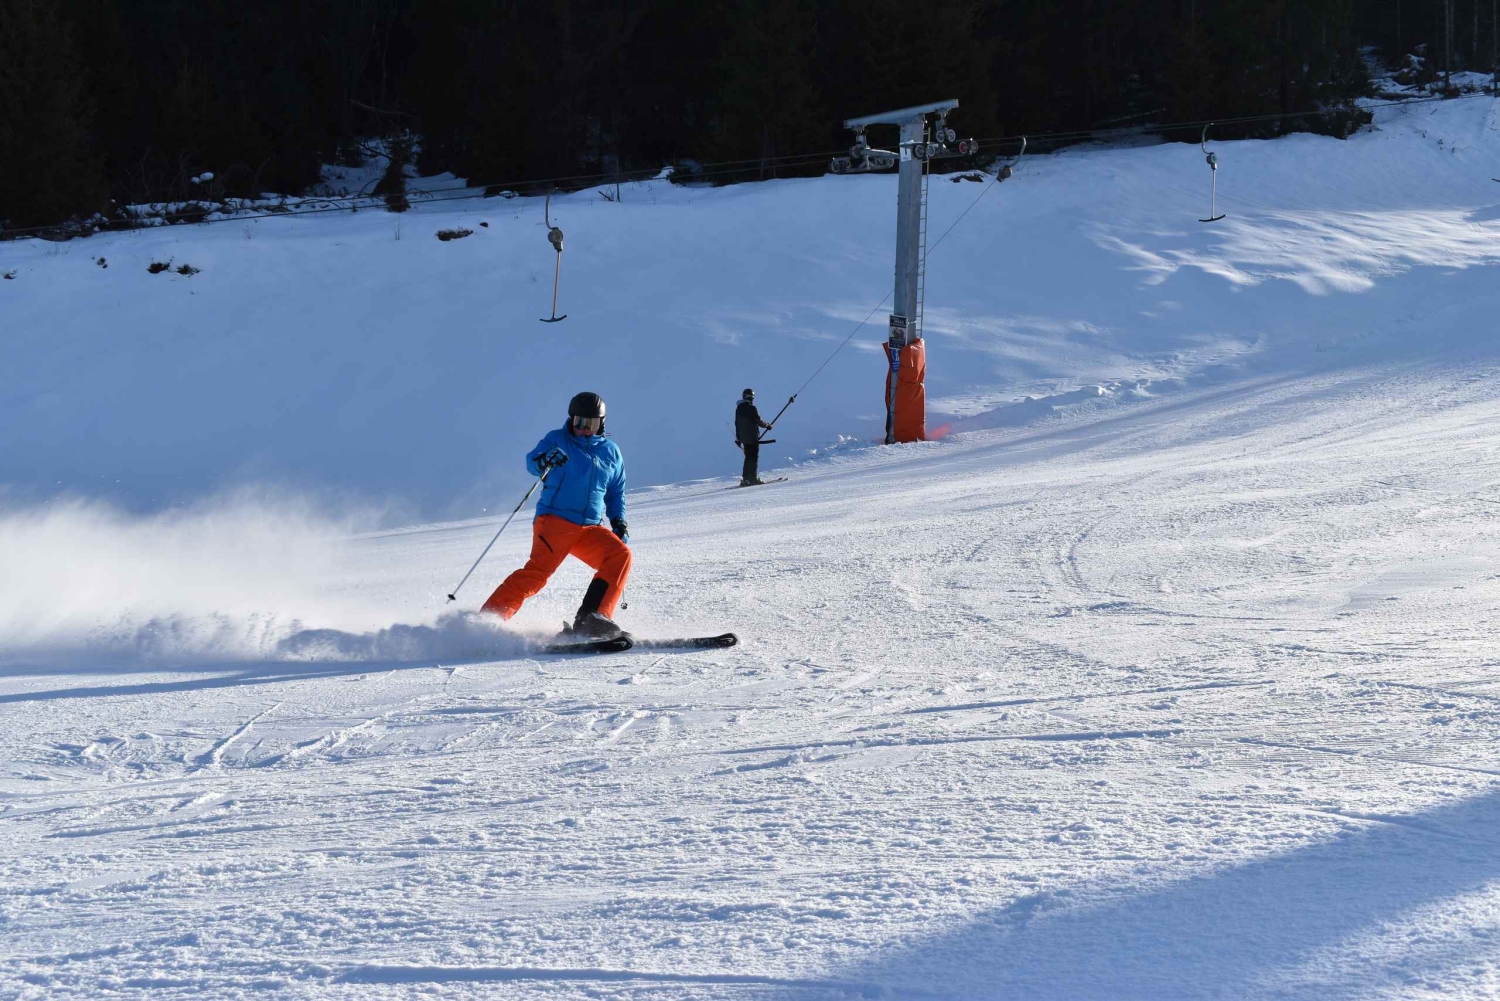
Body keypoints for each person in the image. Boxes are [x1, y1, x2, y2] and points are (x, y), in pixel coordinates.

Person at [482, 392, 631, 638]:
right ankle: (487, 621)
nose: (584, 429)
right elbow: (532, 462)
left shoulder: (611, 452)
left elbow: (616, 492)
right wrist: (545, 460)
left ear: (601, 424)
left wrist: (618, 521)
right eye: (579, 422)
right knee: (537, 574)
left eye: (591, 423)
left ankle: (593, 618)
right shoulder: (557, 439)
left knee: (619, 555)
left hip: (590, 528)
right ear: (571, 419)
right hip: (555, 522)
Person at [735, 388, 773, 486]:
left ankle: (745, 479)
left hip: (744, 439)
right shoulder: (752, 408)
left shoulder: (738, 409)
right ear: (752, 397)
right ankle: (753, 479)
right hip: (752, 437)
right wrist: (768, 425)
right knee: (753, 458)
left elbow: (737, 424)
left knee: (748, 457)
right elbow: (758, 421)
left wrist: (738, 438)